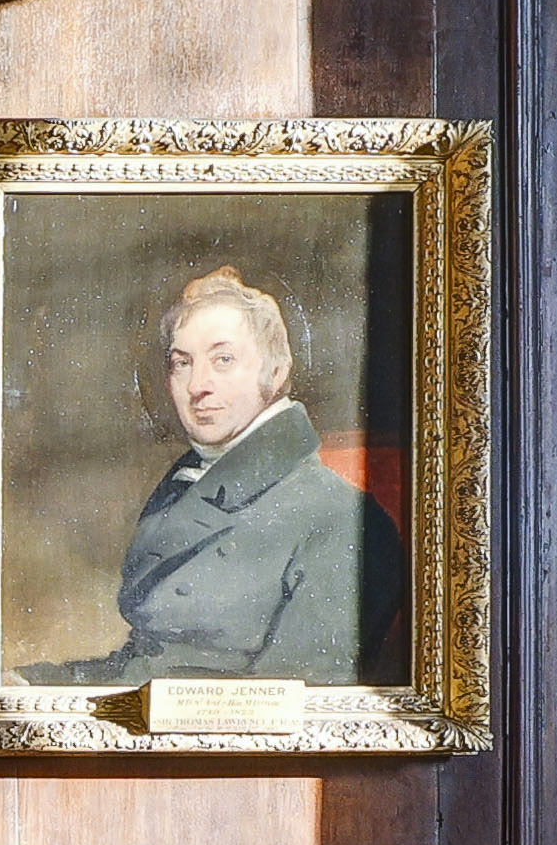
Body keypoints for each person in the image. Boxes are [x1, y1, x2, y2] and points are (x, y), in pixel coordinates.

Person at [33, 264, 402, 689]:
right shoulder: (181, 489)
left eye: (223, 360)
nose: (198, 386)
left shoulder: (342, 519)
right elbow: (143, 665)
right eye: (182, 363)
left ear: (276, 372)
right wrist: (35, 684)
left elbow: (290, 710)